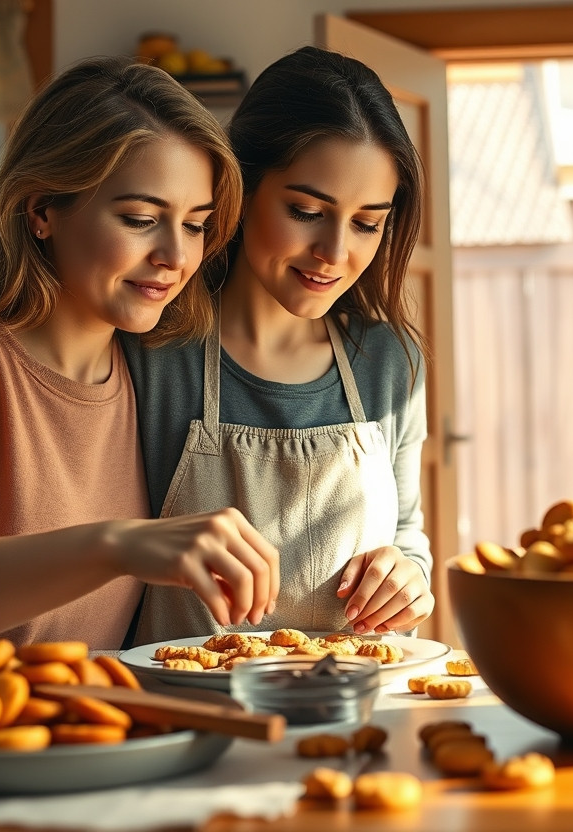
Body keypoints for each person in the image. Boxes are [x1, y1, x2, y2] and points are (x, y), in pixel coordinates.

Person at [0, 56, 281, 656]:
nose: (176, 256)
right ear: (42, 209)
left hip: (100, 724)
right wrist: (116, 546)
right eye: (141, 219)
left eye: (196, 225)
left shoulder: (158, 366)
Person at [123, 46, 435, 644]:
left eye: (368, 222)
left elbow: (406, 531)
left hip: (360, 715)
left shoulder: (391, 361)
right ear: (240, 187)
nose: (335, 252)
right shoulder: (150, 349)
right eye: (306, 210)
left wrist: (409, 576)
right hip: (194, 716)